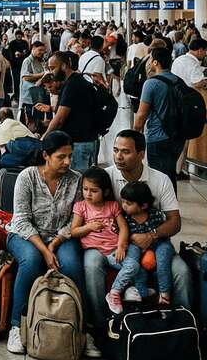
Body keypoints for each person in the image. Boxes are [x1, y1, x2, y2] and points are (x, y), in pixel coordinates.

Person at [81, 130, 193, 332]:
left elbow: (174, 222)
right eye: (115, 150)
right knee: (91, 264)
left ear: (141, 154)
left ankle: (185, 329)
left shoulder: (160, 180)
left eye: (125, 152)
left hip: (155, 243)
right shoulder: (106, 177)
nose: (118, 157)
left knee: (181, 271)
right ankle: (98, 327)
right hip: (110, 244)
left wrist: (151, 236)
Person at [4, 132, 91, 357]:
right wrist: (44, 249)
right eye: (61, 157)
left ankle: (82, 328)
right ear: (46, 156)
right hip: (24, 235)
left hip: (62, 236)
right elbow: (21, 218)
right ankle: (16, 325)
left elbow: (76, 218)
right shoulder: (27, 177)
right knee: (31, 261)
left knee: (71, 265)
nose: (68, 162)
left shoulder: (75, 179)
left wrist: (56, 242)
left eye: (70, 156)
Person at [69, 166, 131, 315]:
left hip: (114, 249)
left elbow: (123, 228)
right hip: (93, 250)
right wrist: (88, 227)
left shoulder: (112, 206)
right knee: (91, 265)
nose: (88, 194)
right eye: (85, 189)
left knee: (133, 264)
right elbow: (74, 231)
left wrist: (121, 246)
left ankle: (129, 293)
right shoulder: (81, 207)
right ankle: (98, 319)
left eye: (94, 191)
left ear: (106, 192)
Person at [118, 180, 176, 306]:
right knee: (136, 264)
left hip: (159, 244)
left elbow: (163, 233)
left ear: (143, 206)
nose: (124, 206)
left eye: (129, 203)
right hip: (137, 247)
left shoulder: (155, 215)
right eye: (122, 201)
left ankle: (164, 293)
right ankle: (143, 296)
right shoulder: (124, 218)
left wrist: (152, 240)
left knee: (163, 259)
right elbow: (121, 235)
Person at [133, 46, 183, 186]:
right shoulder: (178, 80)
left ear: (155, 62)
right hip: (177, 135)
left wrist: (134, 135)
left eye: (150, 59)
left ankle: (163, 207)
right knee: (169, 174)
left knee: (159, 179)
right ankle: (171, 204)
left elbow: (141, 116)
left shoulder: (151, 83)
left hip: (158, 137)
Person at [41, 51, 99, 171]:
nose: (51, 72)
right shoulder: (75, 81)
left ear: (63, 66)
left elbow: (60, 118)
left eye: (53, 68)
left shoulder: (72, 84)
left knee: (77, 181)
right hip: (84, 141)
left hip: (79, 144)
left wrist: (45, 138)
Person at [19, 41, 49, 126]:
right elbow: (26, 77)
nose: (42, 52)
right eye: (40, 50)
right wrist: (43, 74)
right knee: (29, 123)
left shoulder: (41, 61)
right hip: (28, 98)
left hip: (38, 97)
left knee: (38, 123)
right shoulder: (27, 61)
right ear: (33, 48)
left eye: (43, 50)